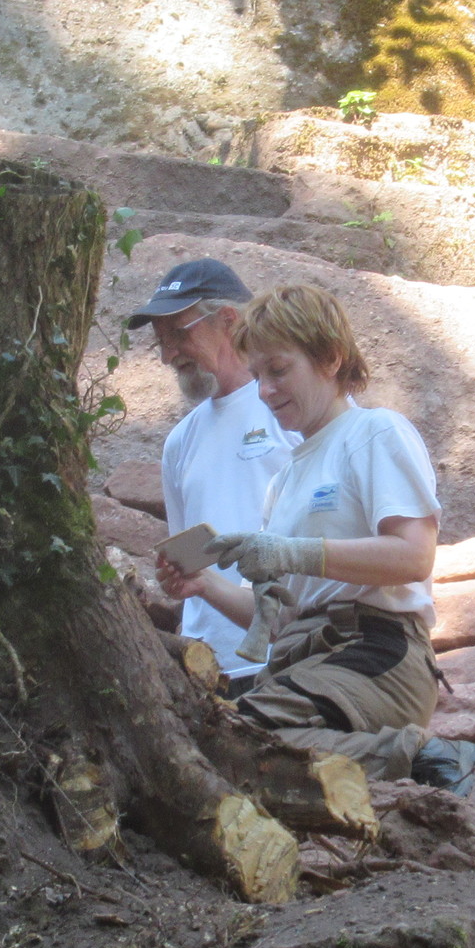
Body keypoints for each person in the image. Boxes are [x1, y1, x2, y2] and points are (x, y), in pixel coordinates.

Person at [157, 281, 475, 792]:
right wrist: (204, 585)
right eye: (257, 376)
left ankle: (419, 759)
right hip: (304, 658)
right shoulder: (285, 480)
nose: (265, 391)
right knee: (217, 742)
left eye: (279, 370)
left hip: (375, 651)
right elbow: (279, 617)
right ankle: (400, 766)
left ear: (330, 358)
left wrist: (291, 552)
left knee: (238, 735)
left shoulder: (375, 433)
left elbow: (415, 556)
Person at [125, 258, 296, 684]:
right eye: (160, 341)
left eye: (178, 334)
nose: (167, 355)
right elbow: (189, 563)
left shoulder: (294, 408)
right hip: (210, 669)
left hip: (288, 659)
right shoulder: (180, 441)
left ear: (229, 321)